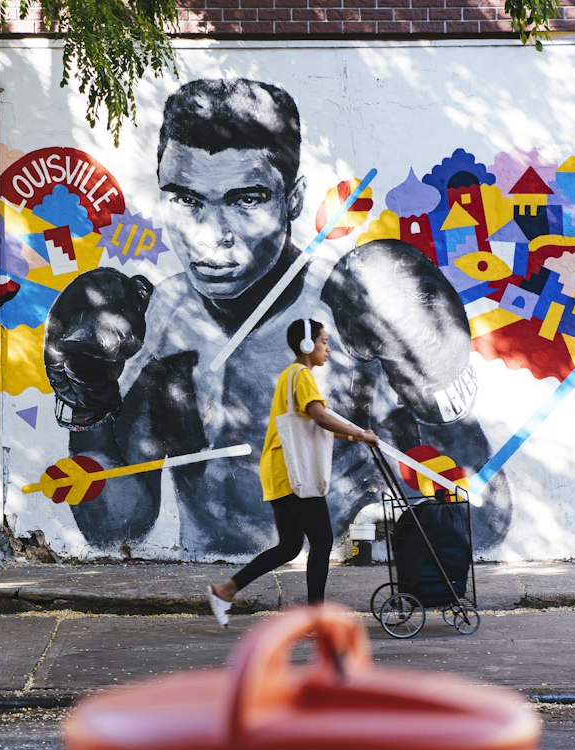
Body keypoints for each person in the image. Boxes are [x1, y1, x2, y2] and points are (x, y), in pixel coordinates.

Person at [45, 77, 511, 559]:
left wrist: (438, 396)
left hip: (341, 581)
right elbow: (116, 525)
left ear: (292, 198)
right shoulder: (156, 322)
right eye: (186, 199)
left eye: (245, 199)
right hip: (208, 592)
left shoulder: (349, 314)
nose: (210, 237)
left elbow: (480, 519)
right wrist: (87, 408)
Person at [207, 318, 379, 623]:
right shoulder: (301, 375)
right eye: (324, 341)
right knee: (323, 540)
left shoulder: (291, 375)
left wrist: (354, 435)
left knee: (289, 546)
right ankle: (316, 618)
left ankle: (226, 590)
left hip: (279, 469)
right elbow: (321, 418)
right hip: (293, 472)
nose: (328, 348)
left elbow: (316, 424)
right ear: (307, 345)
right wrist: (361, 435)